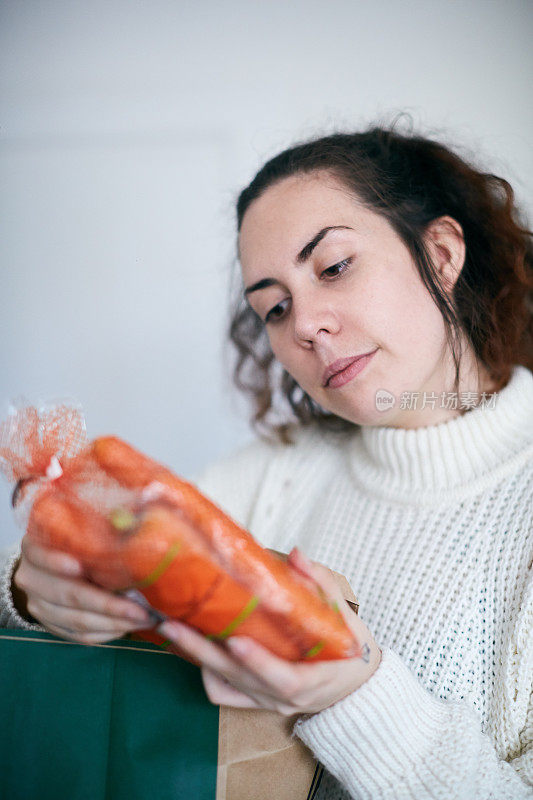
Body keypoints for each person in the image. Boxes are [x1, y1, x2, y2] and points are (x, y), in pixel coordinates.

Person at [1, 120, 532, 799]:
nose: (305, 323)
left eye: (334, 267)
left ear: (440, 252)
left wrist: (353, 694)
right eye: (274, 308)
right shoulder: (276, 473)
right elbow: (50, 569)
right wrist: (31, 587)